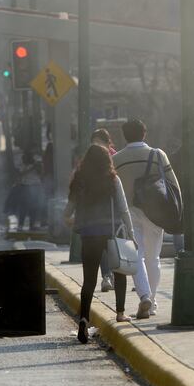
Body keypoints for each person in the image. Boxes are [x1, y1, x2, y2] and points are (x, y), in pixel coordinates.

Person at [64, 144, 136, 343]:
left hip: (89, 234)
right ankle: (120, 313)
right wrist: (131, 233)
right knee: (119, 271)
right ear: (107, 160)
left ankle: (84, 320)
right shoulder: (112, 179)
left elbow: (68, 210)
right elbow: (123, 209)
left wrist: (69, 219)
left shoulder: (79, 180)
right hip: (111, 232)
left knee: (89, 280)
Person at [113, 119, 179, 319]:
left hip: (129, 212)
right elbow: (173, 184)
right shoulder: (158, 155)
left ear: (125, 136)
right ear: (144, 133)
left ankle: (144, 296)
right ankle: (152, 301)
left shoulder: (116, 159)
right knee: (153, 257)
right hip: (155, 212)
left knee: (137, 255)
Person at [91, 129, 118, 291]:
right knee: (102, 244)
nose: (97, 145)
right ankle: (107, 276)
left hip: (113, 208)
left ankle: (115, 275)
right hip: (97, 209)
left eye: (99, 142)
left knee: (114, 244)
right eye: (94, 142)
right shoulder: (89, 159)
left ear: (108, 143)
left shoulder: (116, 157)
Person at [15, 150, 44, 230]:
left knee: (34, 207)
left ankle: (32, 225)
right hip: (25, 186)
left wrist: (39, 166)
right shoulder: (22, 165)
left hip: (35, 186)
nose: (24, 159)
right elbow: (21, 173)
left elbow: (41, 173)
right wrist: (32, 167)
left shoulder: (36, 164)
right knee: (24, 206)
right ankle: (20, 225)